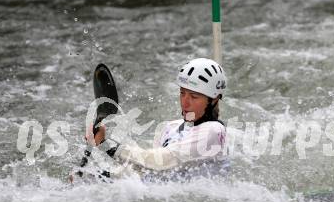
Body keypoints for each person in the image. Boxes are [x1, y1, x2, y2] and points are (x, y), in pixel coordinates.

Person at [86, 58, 228, 178]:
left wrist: (106, 145)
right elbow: (146, 170)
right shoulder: (171, 127)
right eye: (182, 93)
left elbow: (161, 162)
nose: (185, 102)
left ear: (214, 99)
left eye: (194, 97)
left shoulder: (213, 131)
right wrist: (100, 177)